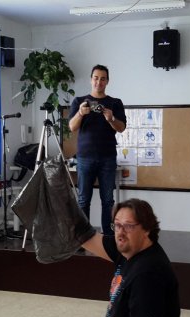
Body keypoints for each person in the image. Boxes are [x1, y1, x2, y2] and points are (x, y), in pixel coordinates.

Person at [69, 64, 126, 236]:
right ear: (91, 79)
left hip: (108, 157)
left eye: (102, 79)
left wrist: (111, 118)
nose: (98, 82)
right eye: (96, 78)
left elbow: (121, 128)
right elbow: (72, 127)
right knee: (83, 200)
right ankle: (83, 236)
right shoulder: (79, 101)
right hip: (85, 157)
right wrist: (81, 113)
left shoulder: (115, 103)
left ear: (107, 81)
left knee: (108, 200)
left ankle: (107, 236)